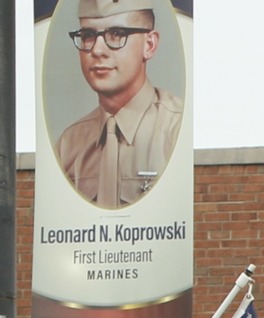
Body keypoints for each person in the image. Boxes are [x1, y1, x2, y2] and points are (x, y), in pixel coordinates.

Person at [54, 1, 183, 211]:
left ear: (149, 45)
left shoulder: (177, 131)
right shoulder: (69, 145)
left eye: (117, 34)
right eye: (87, 35)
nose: (97, 50)